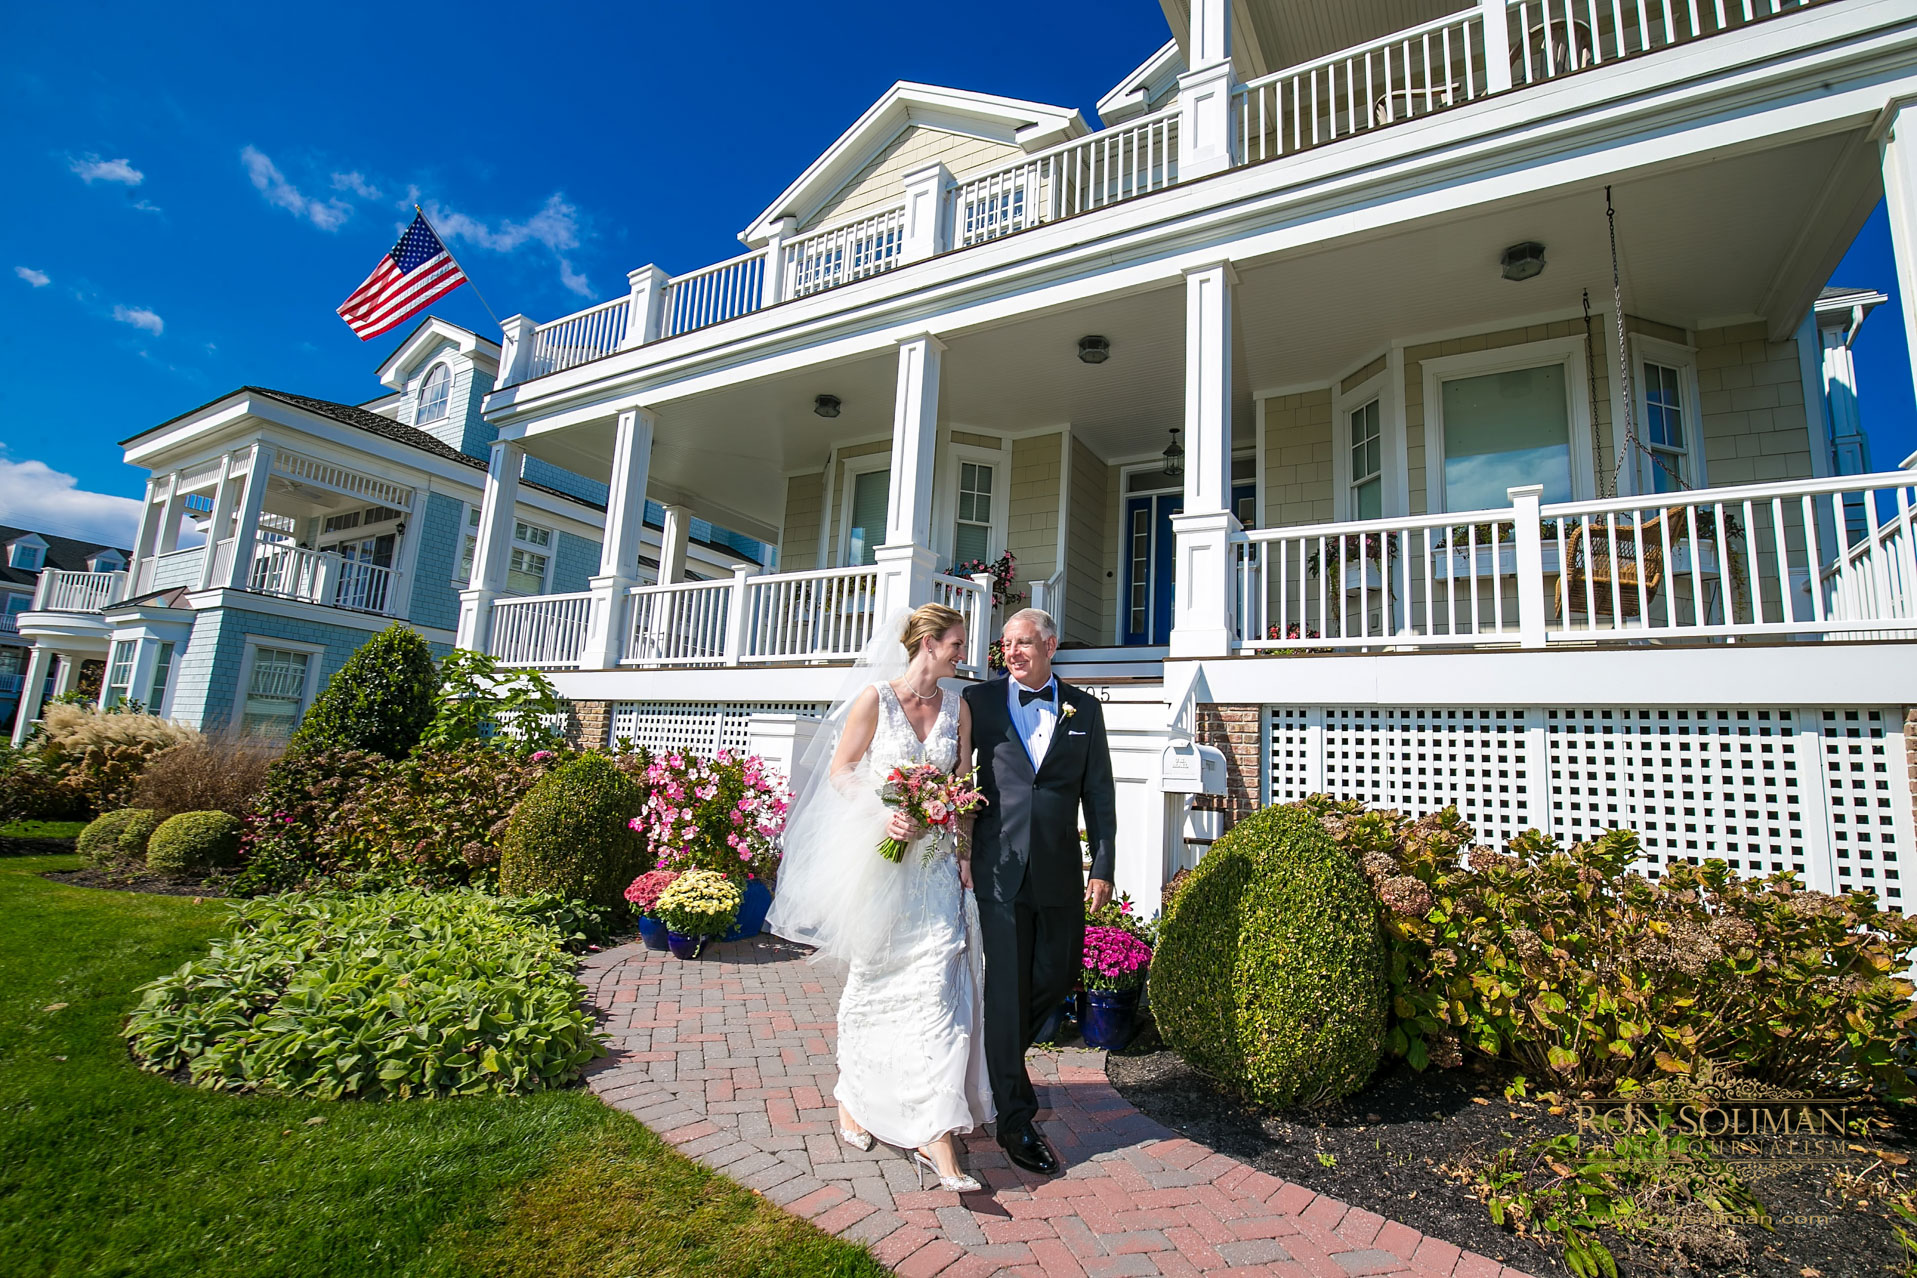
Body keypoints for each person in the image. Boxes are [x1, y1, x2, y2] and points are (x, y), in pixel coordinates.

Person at [765, 602, 993, 1192]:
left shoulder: (959, 707)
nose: (963, 652)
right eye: (956, 643)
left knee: (940, 987)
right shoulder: (876, 699)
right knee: (877, 984)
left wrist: (964, 850)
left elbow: (963, 783)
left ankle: (935, 1132)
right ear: (927, 642)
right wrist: (884, 811)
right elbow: (842, 771)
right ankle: (854, 1098)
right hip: (886, 866)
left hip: (938, 869)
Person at [961, 607, 1117, 1175]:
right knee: (1006, 988)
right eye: (1006, 644)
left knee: (1057, 975)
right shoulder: (977, 703)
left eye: (1023, 643)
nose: (1013, 653)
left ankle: (991, 1057)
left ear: (1050, 645)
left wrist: (1102, 864)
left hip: (1057, 872)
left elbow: (1098, 794)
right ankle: (1014, 1118)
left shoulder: (1086, 709)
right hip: (998, 870)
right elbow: (956, 778)